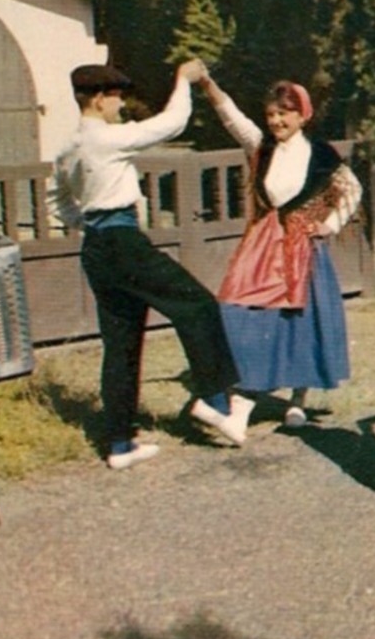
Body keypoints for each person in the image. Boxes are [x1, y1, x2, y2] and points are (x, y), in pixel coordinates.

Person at [52, 60, 252, 467]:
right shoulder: (106, 139)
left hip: (97, 245)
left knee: (122, 342)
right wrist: (183, 80)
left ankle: (120, 443)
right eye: (116, 96)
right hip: (124, 240)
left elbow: (56, 201)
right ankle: (217, 402)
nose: (121, 103)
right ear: (97, 99)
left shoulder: (68, 148)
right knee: (197, 304)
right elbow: (172, 124)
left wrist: (90, 224)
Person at [196, 75, 360, 426]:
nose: (276, 122)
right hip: (266, 245)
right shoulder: (262, 147)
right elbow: (233, 119)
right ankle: (243, 395)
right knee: (239, 309)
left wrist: (329, 225)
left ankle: (298, 398)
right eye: (271, 114)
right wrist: (210, 86)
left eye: (285, 113)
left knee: (302, 320)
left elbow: (352, 189)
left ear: (303, 115)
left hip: (304, 248)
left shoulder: (320, 153)